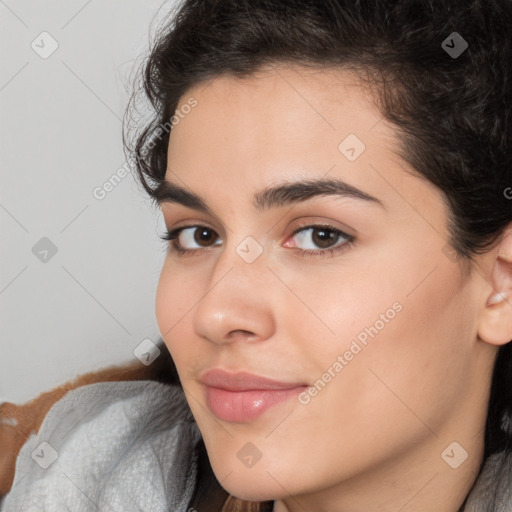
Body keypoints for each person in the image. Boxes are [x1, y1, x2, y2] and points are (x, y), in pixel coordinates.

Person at [2, 0, 512, 510]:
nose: (216, 313)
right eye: (198, 235)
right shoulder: (83, 473)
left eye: (319, 236)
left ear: (500, 285)